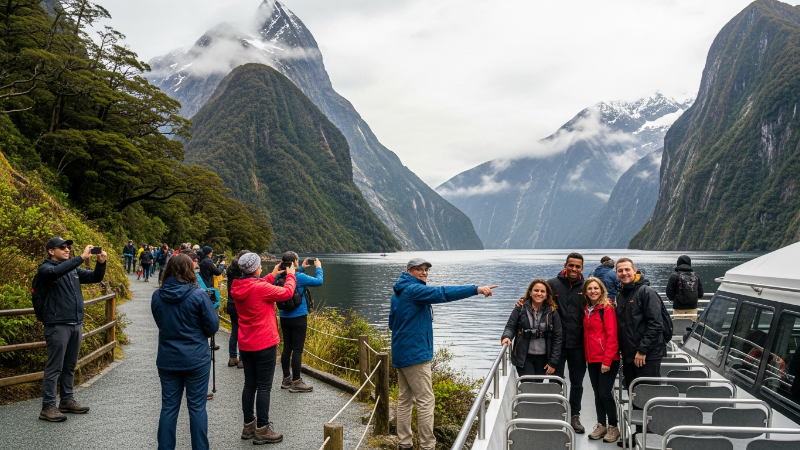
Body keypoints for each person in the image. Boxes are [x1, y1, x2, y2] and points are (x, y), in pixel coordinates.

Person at [390, 258, 498, 450]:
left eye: (426, 270)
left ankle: (404, 443)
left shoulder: (399, 292)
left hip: (401, 352)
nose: (424, 273)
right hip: (415, 355)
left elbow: (392, 323)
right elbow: (443, 293)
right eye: (419, 270)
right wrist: (476, 289)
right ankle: (427, 446)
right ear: (409, 271)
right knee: (425, 400)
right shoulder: (414, 290)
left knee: (405, 400)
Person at [151, 254, 220, 450]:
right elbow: (212, 327)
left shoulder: (158, 295)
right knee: (197, 407)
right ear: (190, 270)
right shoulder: (198, 295)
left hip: (167, 357)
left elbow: (160, 323)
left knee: (169, 408)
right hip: (196, 358)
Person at [36, 237, 107, 422]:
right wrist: (81, 257)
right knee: (54, 367)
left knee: (69, 366)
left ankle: (66, 400)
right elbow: (56, 271)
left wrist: (101, 263)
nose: (67, 250)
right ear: (51, 251)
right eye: (62, 247)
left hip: (75, 323)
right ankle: (48, 406)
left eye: (68, 247)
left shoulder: (72, 269)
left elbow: (95, 278)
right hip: (57, 325)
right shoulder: (46, 269)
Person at [230, 252, 296, 444]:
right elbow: (287, 293)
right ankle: (263, 429)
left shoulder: (238, 285)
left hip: (246, 343)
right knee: (264, 387)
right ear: (255, 268)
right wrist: (290, 275)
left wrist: (273, 274)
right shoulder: (260, 288)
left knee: (250, 384)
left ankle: (248, 426)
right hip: (264, 343)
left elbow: (256, 286)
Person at [268, 252, 322, 393]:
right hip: (299, 317)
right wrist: (318, 267)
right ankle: (296, 381)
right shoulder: (300, 277)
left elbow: (289, 276)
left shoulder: (278, 277)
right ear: (295, 262)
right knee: (297, 349)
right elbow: (319, 281)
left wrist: (302, 268)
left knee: (287, 347)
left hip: (284, 317)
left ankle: (286, 378)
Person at [548, 252, 588, 433]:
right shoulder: (552, 285)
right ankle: (556, 413)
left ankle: (574, 416)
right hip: (556, 344)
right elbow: (536, 299)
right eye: (571, 265)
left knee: (577, 382)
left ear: (582, 268)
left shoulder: (587, 287)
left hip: (579, 344)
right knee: (556, 380)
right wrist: (521, 302)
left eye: (577, 266)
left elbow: (600, 303)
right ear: (565, 265)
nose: (573, 269)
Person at [582, 277, 620, 443]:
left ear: (602, 289)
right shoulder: (587, 309)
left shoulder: (607, 308)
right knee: (597, 393)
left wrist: (607, 360)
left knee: (605, 393)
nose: (593, 291)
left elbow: (612, 336)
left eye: (596, 288)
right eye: (589, 288)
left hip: (607, 358)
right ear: (585, 291)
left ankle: (613, 426)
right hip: (592, 358)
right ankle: (601, 424)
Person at [501, 279, 563, 379]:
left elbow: (558, 337)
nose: (539, 293)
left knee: (537, 388)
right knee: (528, 384)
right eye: (536, 290)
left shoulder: (552, 312)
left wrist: (553, 362)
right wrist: (506, 336)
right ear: (530, 292)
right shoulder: (520, 308)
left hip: (543, 357)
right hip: (524, 356)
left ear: (547, 295)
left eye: (542, 291)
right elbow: (511, 326)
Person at [225, 249, 250, 369]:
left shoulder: (230, 269)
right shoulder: (244, 271)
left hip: (230, 302)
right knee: (244, 331)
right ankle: (242, 359)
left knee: (234, 331)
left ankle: (232, 357)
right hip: (241, 304)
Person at [665, 255, 704, 321]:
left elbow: (669, 292)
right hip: (693, 308)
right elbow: (700, 294)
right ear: (689, 263)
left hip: (678, 307)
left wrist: (675, 299)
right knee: (691, 328)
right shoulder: (696, 276)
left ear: (678, 263)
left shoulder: (674, 276)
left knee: (679, 328)